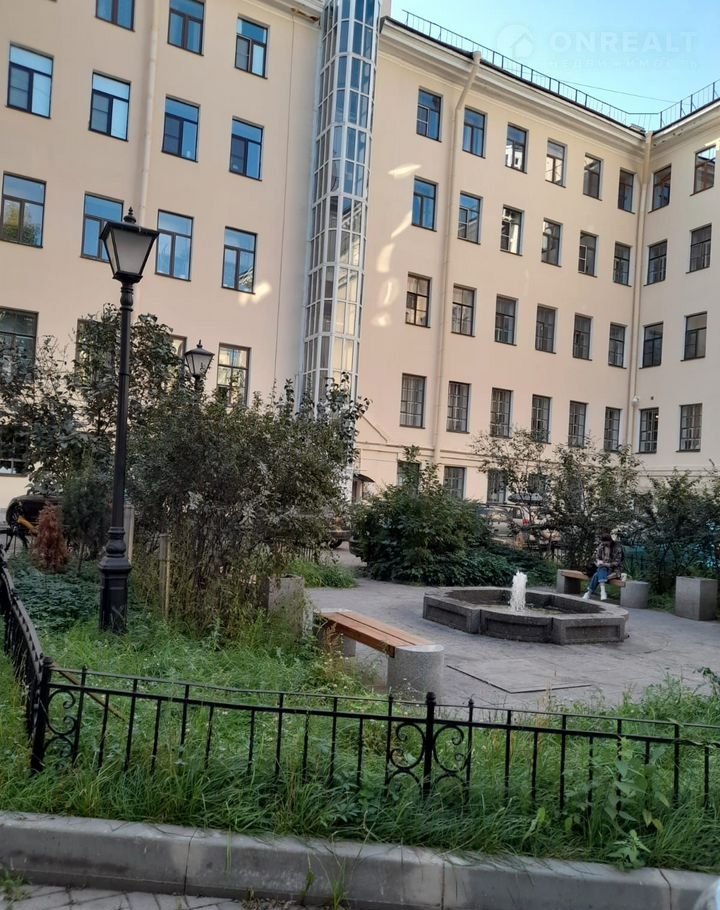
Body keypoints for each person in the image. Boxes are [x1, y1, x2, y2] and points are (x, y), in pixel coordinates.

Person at [583, 529, 624, 601]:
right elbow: (597, 557)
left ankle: (589, 592)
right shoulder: (601, 546)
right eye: (603, 544)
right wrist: (598, 562)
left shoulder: (617, 547)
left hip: (614, 570)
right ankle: (602, 592)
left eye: (606, 544)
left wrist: (606, 564)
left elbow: (617, 562)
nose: (604, 545)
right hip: (603, 568)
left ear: (610, 541)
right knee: (601, 569)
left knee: (597, 575)